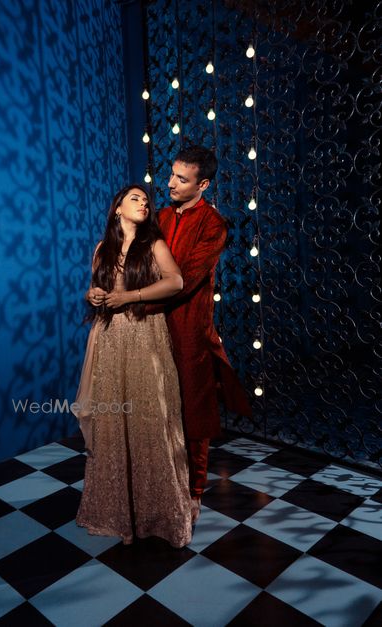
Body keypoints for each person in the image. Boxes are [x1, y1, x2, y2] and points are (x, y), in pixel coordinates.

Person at [71, 184, 192, 548]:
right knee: (114, 422)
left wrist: (130, 296)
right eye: (134, 198)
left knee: (149, 421)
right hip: (110, 338)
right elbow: (95, 288)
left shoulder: (153, 245)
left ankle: (159, 516)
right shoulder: (102, 249)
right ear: (118, 209)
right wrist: (93, 294)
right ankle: (120, 515)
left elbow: (176, 282)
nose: (143, 203)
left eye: (145, 200)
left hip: (145, 334)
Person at [157, 145, 252, 523]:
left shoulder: (213, 225)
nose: (170, 183)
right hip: (152, 327)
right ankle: (161, 486)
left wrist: (136, 302)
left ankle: (194, 492)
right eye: (171, 174)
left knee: (194, 413)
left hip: (190, 331)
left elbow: (186, 279)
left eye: (181, 179)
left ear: (203, 185)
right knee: (157, 409)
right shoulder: (161, 216)